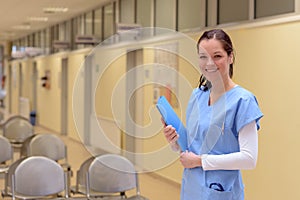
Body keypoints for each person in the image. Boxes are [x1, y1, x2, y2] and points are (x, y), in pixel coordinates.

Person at [162, 29, 263, 200]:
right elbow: (191, 147)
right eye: (203, 56)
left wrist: (200, 161)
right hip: (192, 188)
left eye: (217, 56)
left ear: (230, 57)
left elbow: (249, 158)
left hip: (221, 191)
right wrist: (174, 141)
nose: (209, 63)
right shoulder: (197, 96)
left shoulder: (243, 101)